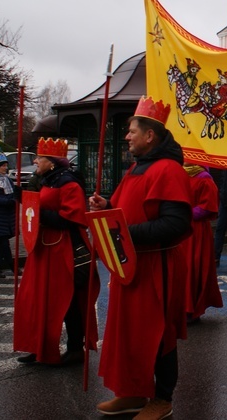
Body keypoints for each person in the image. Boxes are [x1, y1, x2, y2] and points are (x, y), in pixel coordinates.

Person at [90, 97, 192, 418]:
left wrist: (125, 232)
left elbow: (176, 224)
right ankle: (133, 392)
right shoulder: (136, 168)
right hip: (129, 265)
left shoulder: (169, 170)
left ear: (150, 136)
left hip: (154, 266)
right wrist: (105, 206)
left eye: (132, 131)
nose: (127, 136)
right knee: (129, 333)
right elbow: (123, 211)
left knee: (157, 333)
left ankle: (162, 399)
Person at [13, 138, 99, 366]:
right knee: (37, 299)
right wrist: (21, 196)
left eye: (39, 157)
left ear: (51, 162)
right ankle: (38, 345)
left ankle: (74, 349)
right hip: (43, 247)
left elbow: (71, 219)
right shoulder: (47, 180)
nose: (35, 161)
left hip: (62, 248)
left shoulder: (69, 183)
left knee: (66, 300)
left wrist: (37, 210)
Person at [182, 163, 222, 322]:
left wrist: (184, 213)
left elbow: (209, 207)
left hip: (196, 230)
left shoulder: (204, 178)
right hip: (181, 228)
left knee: (194, 268)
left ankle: (192, 309)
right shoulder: (179, 174)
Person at [0, 153, 17, 278]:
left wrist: (13, 199)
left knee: (2, 243)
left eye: (6, 165)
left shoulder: (7, 180)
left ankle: (9, 266)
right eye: (3, 165)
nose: (5, 168)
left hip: (6, 216)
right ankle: (8, 266)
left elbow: (13, 193)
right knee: (2, 243)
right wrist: (6, 201)